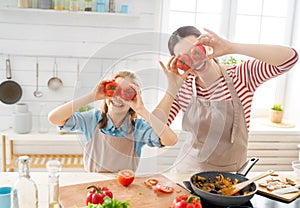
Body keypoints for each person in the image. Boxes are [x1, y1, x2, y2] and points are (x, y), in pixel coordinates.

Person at [157, 26, 298, 172]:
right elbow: (157, 133)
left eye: (195, 50)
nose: (194, 59)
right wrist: (171, 89)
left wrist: (231, 47)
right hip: (187, 174)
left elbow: (290, 58)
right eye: (184, 58)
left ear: (206, 47)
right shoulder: (183, 85)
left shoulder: (242, 75)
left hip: (231, 177)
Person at [48, 70, 178, 173]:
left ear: (135, 98)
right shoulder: (92, 120)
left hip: (125, 189)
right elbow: (54, 118)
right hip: (94, 187)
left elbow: (171, 140)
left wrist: (142, 110)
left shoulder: (138, 128)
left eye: (127, 93)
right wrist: (92, 96)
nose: (118, 97)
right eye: (114, 90)